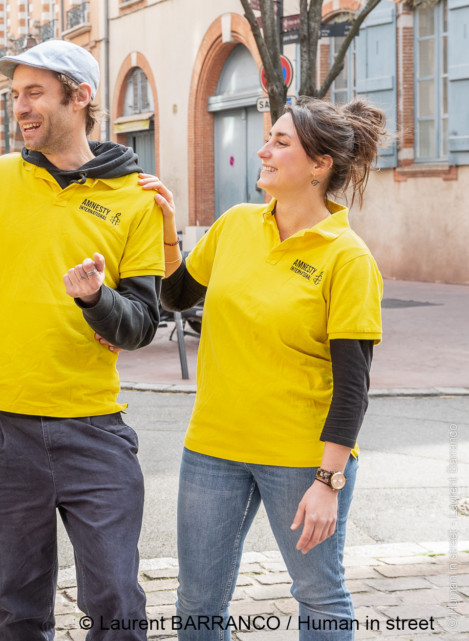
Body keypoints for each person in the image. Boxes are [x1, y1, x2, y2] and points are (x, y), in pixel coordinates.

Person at [0, 40, 164, 639]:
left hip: (93, 428)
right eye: (15, 95)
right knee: (16, 613)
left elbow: (144, 322)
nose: (19, 108)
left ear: (81, 96)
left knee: (118, 603)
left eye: (34, 93)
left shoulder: (136, 200)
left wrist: (97, 300)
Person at [155, 97, 385, 641]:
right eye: (269, 138)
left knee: (319, 597)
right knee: (197, 602)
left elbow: (353, 387)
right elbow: (176, 294)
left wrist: (328, 482)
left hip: (301, 460)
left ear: (319, 164)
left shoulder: (348, 259)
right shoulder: (236, 224)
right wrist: (167, 225)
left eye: (281, 142)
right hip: (213, 447)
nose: (263, 150)